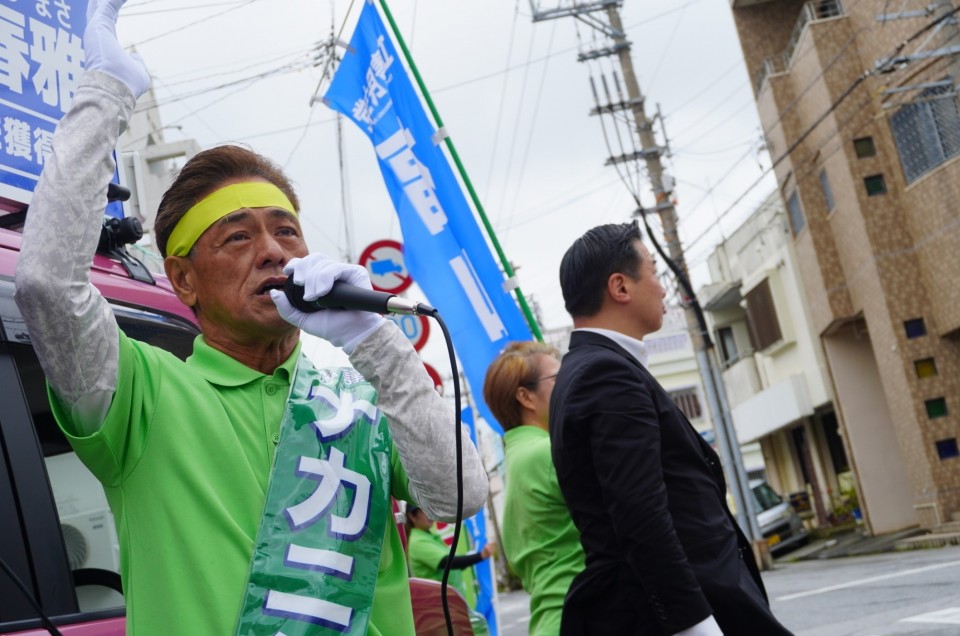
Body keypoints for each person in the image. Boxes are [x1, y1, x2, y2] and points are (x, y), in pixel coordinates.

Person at [13, 1, 487, 634]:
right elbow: (46, 283)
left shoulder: (358, 400)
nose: (272, 251)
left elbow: (461, 496)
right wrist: (107, 95)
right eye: (236, 238)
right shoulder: (141, 393)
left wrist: (374, 341)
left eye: (286, 231)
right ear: (182, 279)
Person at [549, 222, 793, 636]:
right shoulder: (606, 374)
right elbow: (640, 514)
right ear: (620, 287)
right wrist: (695, 627)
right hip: (673, 613)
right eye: (655, 274)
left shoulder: (591, 368)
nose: (664, 289)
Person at [483, 341, 584, 635]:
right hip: (584, 616)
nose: (570, 383)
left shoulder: (517, 456)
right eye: (558, 378)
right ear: (525, 397)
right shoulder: (549, 453)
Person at [405, 505, 496, 603]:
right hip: (441, 605)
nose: (428, 514)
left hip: (451, 602)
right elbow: (449, 563)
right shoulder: (418, 542)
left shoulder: (430, 537)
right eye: (422, 511)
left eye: (429, 508)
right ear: (412, 517)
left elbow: (454, 565)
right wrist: (481, 555)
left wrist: (477, 556)